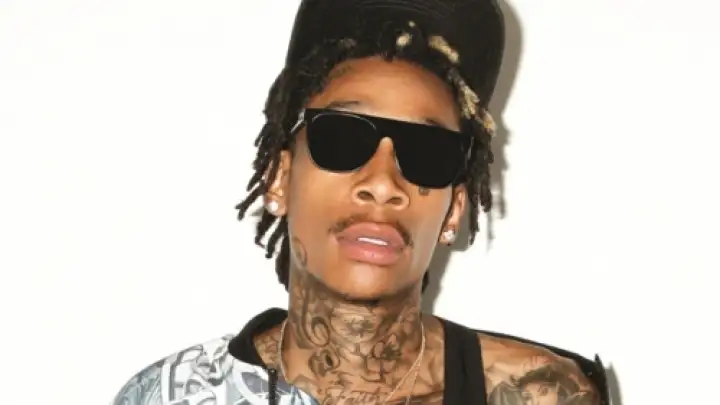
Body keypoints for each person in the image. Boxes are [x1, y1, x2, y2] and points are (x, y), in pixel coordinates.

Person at [111, 1, 609, 404]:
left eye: (427, 153)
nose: (382, 183)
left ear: (453, 210)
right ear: (278, 180)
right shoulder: (170, 396)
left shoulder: (542, 394)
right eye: (343, 139)